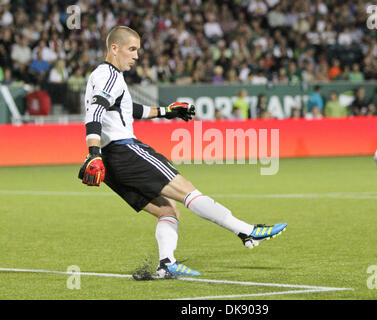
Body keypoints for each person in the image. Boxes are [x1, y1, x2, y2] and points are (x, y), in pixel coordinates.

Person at [78, 26, 287, 279]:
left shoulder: (103, 77)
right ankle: (246, 230)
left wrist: (167, 112)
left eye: (138, 50)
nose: (136, 56)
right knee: (187, 191)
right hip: (125, 151)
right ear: (114, 48)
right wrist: (93, 153)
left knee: (168, 211)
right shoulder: (110, 74)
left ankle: (166, 264)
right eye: (132, 49)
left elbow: (127, 109)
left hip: (113, 165)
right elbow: (95, 111)